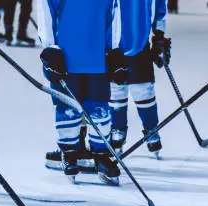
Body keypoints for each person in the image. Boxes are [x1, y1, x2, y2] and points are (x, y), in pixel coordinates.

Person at [37, 0, 125, 185]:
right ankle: (69, 152)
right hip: (66, 56)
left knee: (99, 106)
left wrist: (114, 49)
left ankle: (101, 154)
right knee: (68, 106)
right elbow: (46, 8)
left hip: (97, 55)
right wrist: (50, 46)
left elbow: (114, 11)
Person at [109, 0, 170, 159]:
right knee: (116, 87)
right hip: (111, 40)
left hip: (139, 38)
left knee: (143, 87)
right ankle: (117, 129)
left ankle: (151, 129)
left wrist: (159, 33)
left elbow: (159, 4)